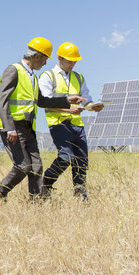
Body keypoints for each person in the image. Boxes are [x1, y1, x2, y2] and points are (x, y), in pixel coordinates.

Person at [0, 37, 85, 201]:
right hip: (13, 126)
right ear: (37, 57)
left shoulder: (32, 77)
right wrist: (9, 128)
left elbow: (42, 102)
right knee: (23, 166)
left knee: (36, 166)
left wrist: (68, 100)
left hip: (27, 127)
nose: (46, 63)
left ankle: (36, 202)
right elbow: (2, 100)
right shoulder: (13, 70)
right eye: (45, 59)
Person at [39, 42, 103, 201]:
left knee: (81, 161)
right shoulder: (48, 76)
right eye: (69, 61)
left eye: (75, 61)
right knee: (66, 157)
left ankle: (81, 196)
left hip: (77, 124)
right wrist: (68, 110)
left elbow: (86, 98)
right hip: (58, 123)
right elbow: (45, 103)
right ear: (59, 58)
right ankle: (45, 184)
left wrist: (92, 106)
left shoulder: (79, 77)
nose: (72, 64)